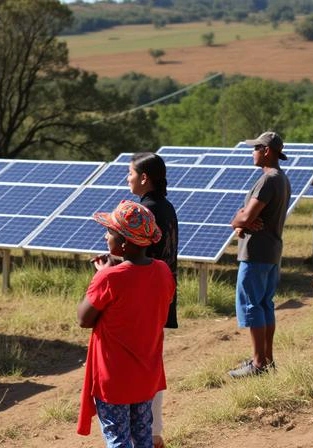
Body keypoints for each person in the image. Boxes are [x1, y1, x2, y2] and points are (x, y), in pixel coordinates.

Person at [76, 200, 175, 448]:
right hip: (146, 376)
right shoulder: (163, 271)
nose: (105, 235)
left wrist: (101, 274)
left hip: (114, 379)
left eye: (110, 232)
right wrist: (112, 271)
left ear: (123, 243)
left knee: (118, 440)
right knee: (143, 438)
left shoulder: (109, 278)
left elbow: (83, 319)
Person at [228, 131, 291, 378]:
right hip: (271, 252)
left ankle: (257, 364)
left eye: (255, 148)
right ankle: (267, 360)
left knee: (252, 306)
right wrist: (244, 219)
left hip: (256, 253)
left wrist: (238, 220)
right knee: (265, 305)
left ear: (267, 150)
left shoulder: (268, 180)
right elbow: (249, 217)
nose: (252, 153)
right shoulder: (281, 178)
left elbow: (244, 217)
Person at [128, 153, 179, 448]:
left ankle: (144, 435)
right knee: (151, 363)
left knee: (140, 367)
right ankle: (154, 432)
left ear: (144, 178)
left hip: (144, 300)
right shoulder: (166, 206)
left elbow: (139, 259)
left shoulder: (144, 211)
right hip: (162, 296)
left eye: (130, 174)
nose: (128, 179)